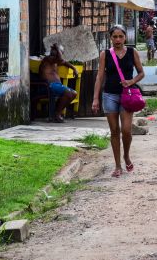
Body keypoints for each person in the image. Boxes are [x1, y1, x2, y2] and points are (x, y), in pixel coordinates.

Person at [92, 25, 145, 177]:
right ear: (111, 38)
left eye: (120, 36)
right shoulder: (105, 54)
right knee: (114, 131)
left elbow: (141, 73)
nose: (117, 40)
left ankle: (126, 155)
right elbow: (100, 77)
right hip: (109, 95)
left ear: (125, 38)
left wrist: (131, 81)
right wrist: (95, 98)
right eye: (114, 37)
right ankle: (117, 166)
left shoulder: (131, 52)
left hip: (127, 96)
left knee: (126, 130)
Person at [38, 43, 79, 123]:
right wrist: (57, 48)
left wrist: (74, 68)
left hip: (56, 86)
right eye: (58, 52)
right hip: (49, 86)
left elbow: (64, 62)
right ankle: (56, 115)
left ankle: (57, 113)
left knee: (74, 93)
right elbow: (60, 59)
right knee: (68, 92)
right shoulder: (48, 59)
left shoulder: (55, 61)